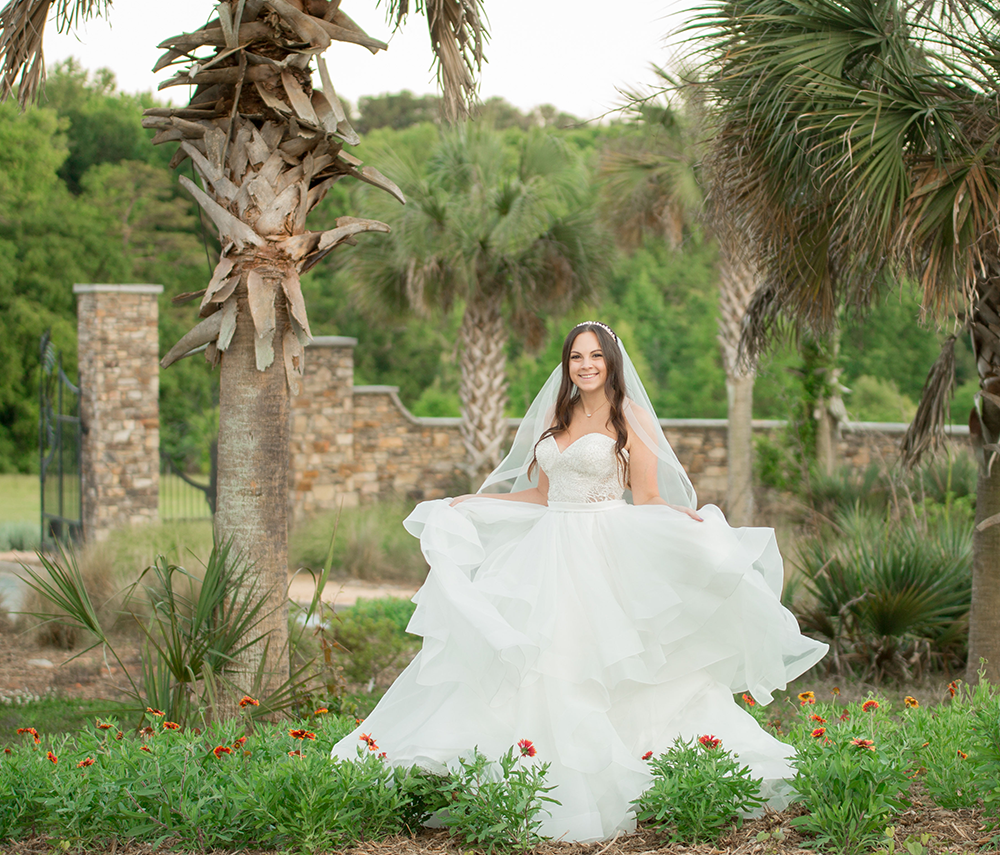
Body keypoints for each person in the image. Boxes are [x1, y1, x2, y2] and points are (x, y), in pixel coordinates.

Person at [331, 321, 827, 841]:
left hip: (603, 549)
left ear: (611, 361)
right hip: (547, 548)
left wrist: (689, 524)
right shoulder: (557, 414)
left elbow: (650, 497)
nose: (585, 365)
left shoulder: (628, 415)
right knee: (538, 662)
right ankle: (530, 780)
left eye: (595, 356)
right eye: (575, 357)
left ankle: (615, 780)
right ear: (566, 365)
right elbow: (541, 495)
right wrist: (474, 502)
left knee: (597, 663)